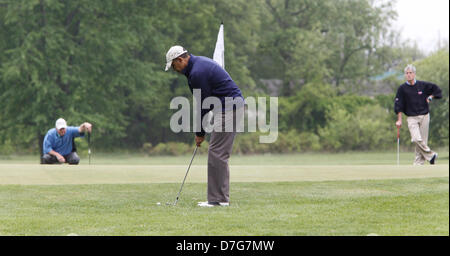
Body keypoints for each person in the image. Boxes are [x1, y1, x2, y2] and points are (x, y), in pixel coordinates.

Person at [165, 45, 244, 207]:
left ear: (180, 59)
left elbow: (203, 104)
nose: (175, 70)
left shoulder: (197, 72)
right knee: (217, 153)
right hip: (227, 107)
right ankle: (219, 198)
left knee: (217, 153)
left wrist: (200, 133)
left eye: (174, 66)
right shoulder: (196, 67)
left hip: (229, 108)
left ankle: (219, 200)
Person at [394, 64, 442, 165]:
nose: (408, 75)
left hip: (424, 115)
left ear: (414, 74)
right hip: (411, 117)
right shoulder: (402, 88)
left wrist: (431, 97)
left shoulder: (423, 85)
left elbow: (437, 89)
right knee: (416, 139)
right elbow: (398, 105)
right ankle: (431, 155)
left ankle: (418, 164)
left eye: (410, 73)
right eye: (406, 73)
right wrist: (399, 120)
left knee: (422, 142)